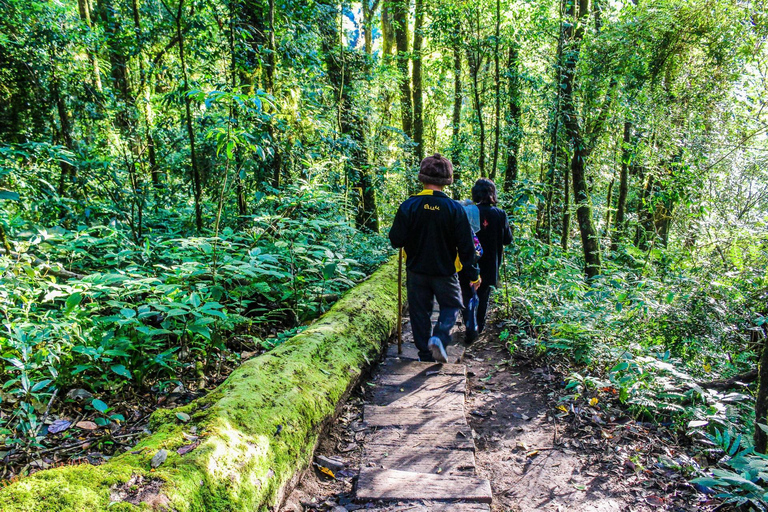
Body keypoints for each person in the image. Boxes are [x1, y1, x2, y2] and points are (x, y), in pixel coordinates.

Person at [389, 154, 481, 363]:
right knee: (452, 304)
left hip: (416, 269)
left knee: (419, 312)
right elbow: (466, 247)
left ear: (422, 177)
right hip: (445, 270)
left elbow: (396, 240)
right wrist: (473, 274)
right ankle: (439, 337)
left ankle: (425, 354)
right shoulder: (454, 209)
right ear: (447, 179)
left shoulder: (409, 205)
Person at [459, 178, 513, 340]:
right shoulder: (500, 214)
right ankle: (478, 326)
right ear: (492, 194)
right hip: (490, 264)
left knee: (466, 293)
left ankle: (469, 324)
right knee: (483, 296)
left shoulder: (467, 211)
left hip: (468, 262)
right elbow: (507, 240)